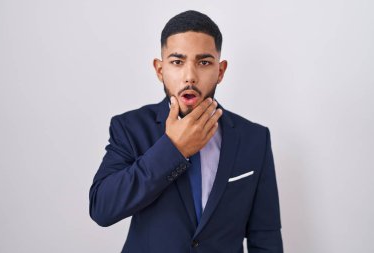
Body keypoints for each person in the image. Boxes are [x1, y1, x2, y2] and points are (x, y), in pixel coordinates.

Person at [89, 10, 283, 253]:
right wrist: (173, 148)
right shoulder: (130, 128)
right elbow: (102, 209)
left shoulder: (255, 138)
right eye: (177, 62)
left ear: (220, 71)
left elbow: (265, 236)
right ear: (160, 70)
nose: (190, 76)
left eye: (203, 62)